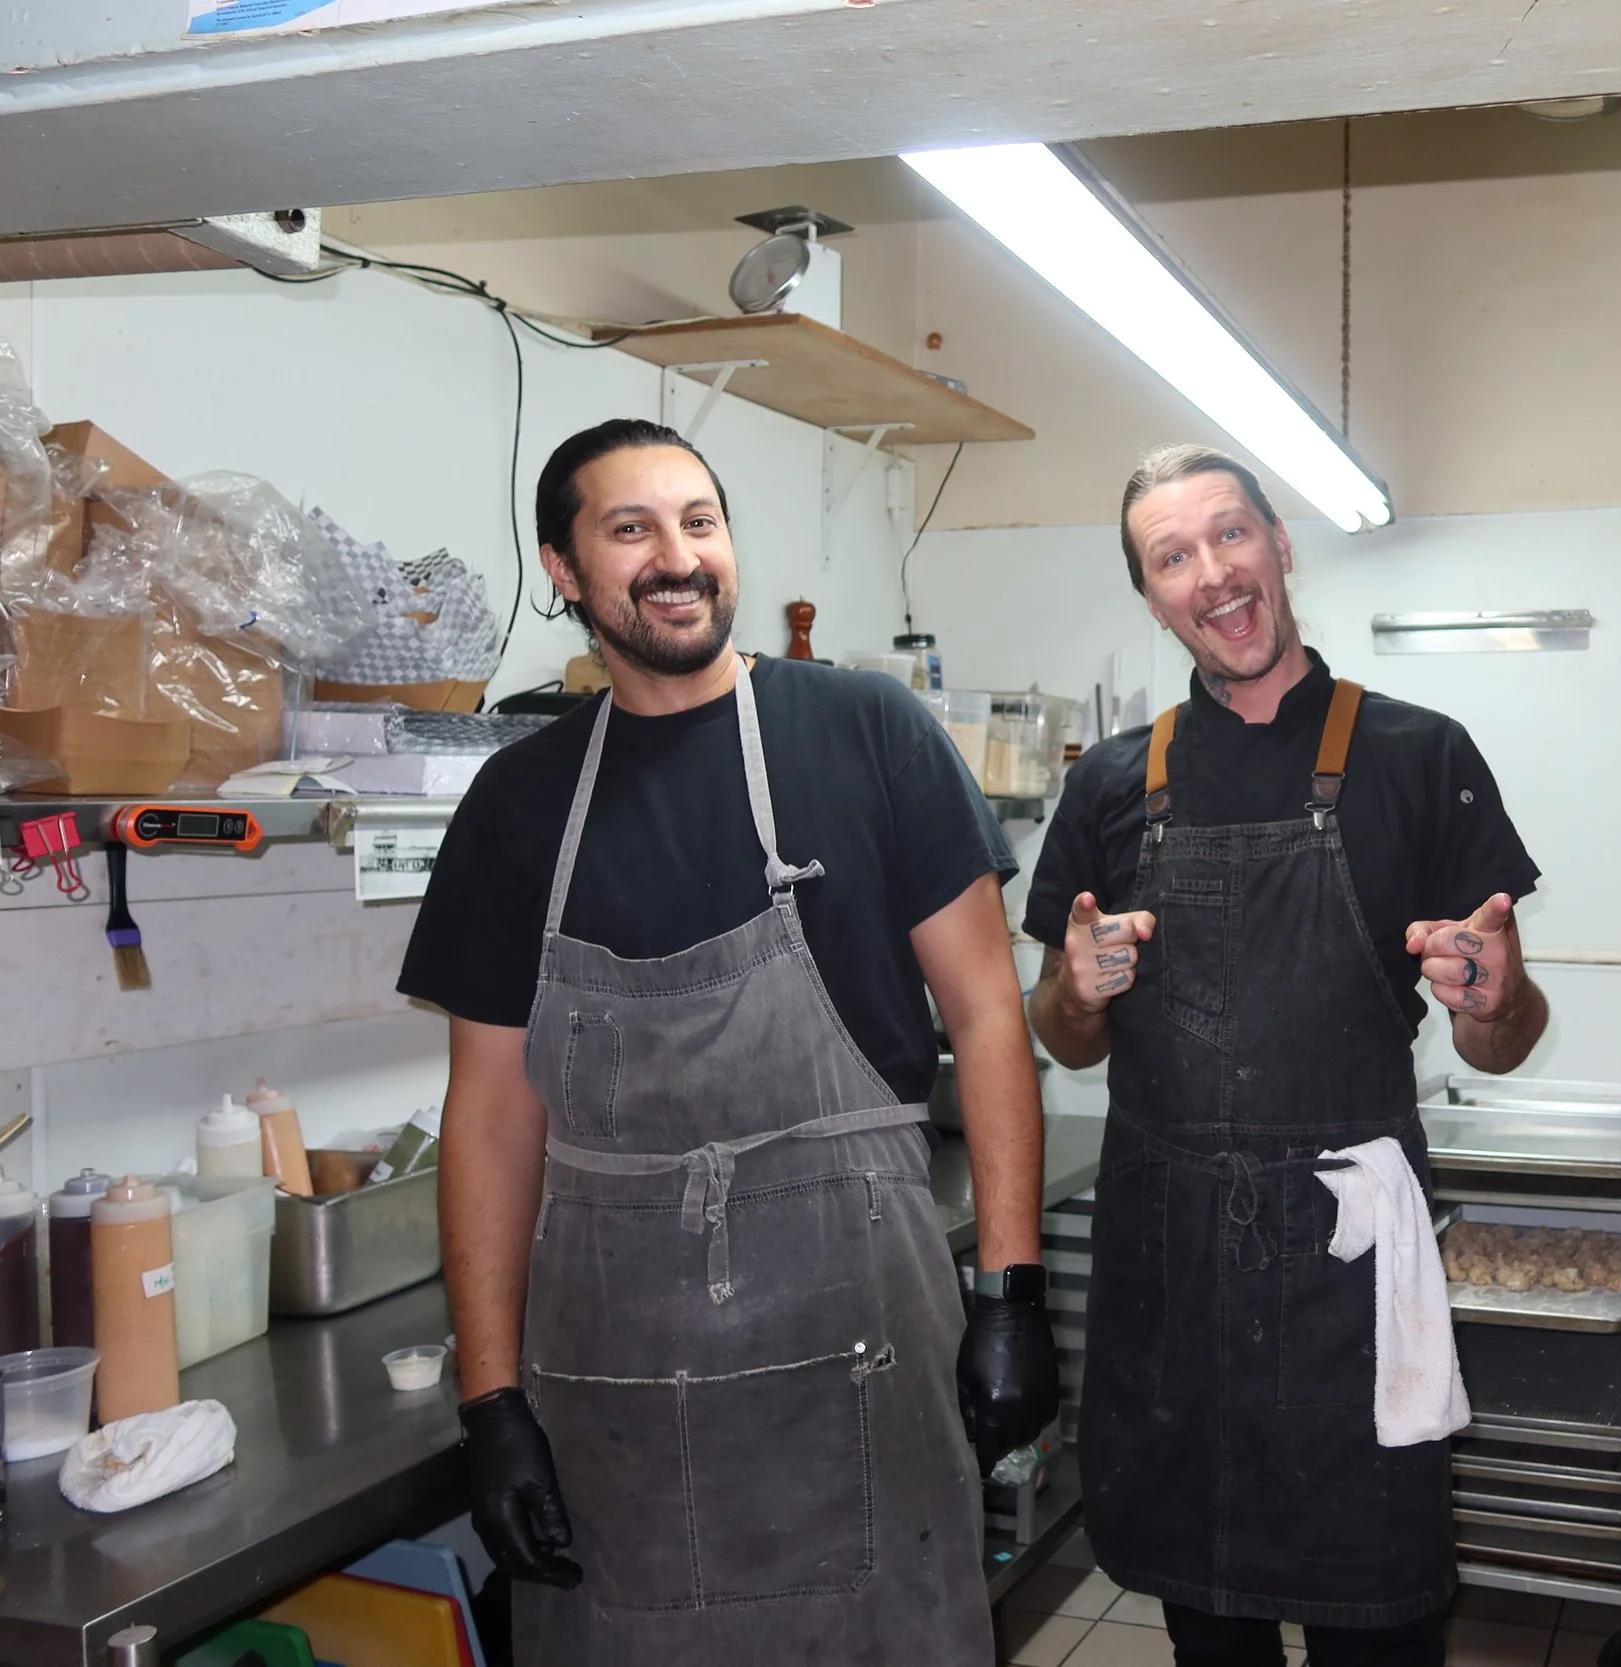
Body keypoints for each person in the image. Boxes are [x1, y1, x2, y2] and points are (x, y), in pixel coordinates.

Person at [401, 418, 1057, 1665]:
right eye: (631, 529)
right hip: (616, 1388)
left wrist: (1009, 1290)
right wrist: (491, 1401)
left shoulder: (868, 729)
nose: (677, 556)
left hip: (860, 1349)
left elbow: (986, 1015)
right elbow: (487, 1113)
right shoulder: (518, 803)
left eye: (698, 521)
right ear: (563, 567)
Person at [1025, 444, 1549, 1667]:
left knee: (1384, 1630)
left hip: (1346, 1280)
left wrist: (1495, 997)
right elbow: (1063, 1033)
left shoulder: (1419, 755)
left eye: (1230, 534)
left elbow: (1504, 1037)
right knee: (1210, 1633)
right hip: (1174, 1280)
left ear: (1279, 544)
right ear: (1151, 597)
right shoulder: (1109, 784)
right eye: (1173, 556)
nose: (1212, 572)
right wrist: (1072, 990)